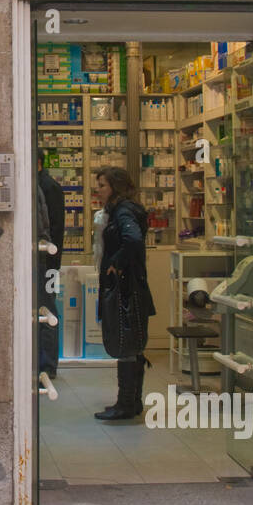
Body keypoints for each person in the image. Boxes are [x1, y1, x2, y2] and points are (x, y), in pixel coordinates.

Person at [93, 166, 156, 420]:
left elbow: (133, 239)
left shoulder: (123, 211)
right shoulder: (123, 210)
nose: (98, 190)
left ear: (115, 187)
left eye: (102, 186)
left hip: (126, 289)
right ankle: (131, 402)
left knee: (126, 341)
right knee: (130, 342)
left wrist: (114, 264)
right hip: (130, 286)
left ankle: (126, 405)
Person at [37, 150, 65, 381]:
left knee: (47, 309)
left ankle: (48, 365)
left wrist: (50, 262)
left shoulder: (48, 187)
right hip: (46, 261)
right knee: (43, 309)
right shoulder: (40, 185)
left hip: (48, 261)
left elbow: (53, 230)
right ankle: (43, 362)